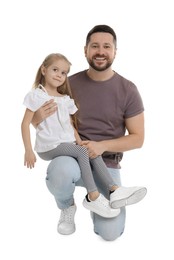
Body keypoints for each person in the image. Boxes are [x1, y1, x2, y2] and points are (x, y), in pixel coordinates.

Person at [31, 25, 147, 241]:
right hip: (71, 157)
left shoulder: (128, 89)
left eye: (106, 46)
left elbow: (138, 138)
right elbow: (44, 119)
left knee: (110, 233)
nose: (100, 51)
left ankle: (106, 195)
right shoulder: (68, 84)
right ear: (85, 50)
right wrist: (36, 118)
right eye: (95, 46)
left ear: (115, 51)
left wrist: (101, 146)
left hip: (106, 164)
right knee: (61, 173)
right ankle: (67, 207)